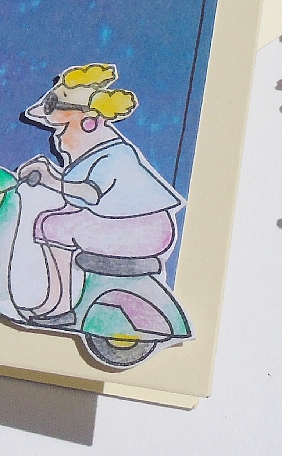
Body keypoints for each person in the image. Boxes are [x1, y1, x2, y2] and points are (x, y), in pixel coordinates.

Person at [16, 63, 183, 327]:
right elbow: (78, 196)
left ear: (89, 121)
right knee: (53, 221)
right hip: (127, 225)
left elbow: (90, 194)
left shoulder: (114, 154)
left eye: (65, 126)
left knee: (54, 226)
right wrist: (50, 176)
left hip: (144, 230)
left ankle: (62, 306)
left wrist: (50, 179)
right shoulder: (92, 152)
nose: (61, 137)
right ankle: (55, 302)